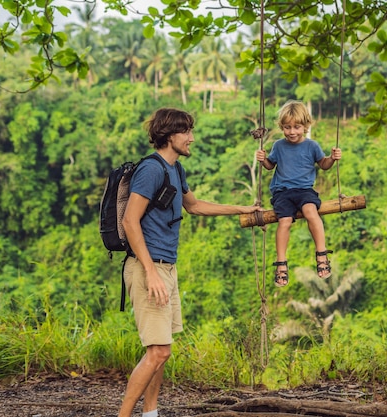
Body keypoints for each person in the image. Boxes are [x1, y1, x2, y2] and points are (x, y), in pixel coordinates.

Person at [119, 108, 260, 417]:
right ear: (170, 135)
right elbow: (131, 221)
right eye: (187, 133)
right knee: (159, 351)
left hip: (166, 267)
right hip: (149, 268)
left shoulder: (175, 169)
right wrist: (151, 272)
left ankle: (150, 412)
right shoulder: (152, 170)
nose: (192, 138)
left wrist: (241, 209)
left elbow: (194, 206)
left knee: (160, 351)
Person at [255, 100, 342, 287]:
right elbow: (270, 166)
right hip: (283, 192)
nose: (292, 132)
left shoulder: (312, 146)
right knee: (284, 221)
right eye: (287, 127)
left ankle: (321, 254)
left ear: (305, 126)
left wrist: (332, 158)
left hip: (304, 191)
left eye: (296, 127)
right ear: (281, 127)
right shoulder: (278, 146)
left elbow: (324, 165)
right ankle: (281, 264)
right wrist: (263, 160)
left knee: (311, 212)